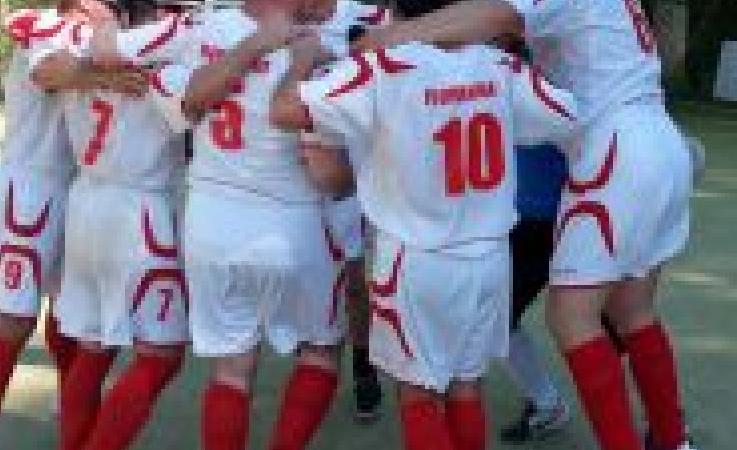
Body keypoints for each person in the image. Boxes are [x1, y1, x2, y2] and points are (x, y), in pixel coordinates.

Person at [358, 1, 696, 450]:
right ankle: (673, 440)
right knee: (632, 310)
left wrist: (394, 36)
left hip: (615, 149)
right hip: (659, 138)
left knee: (571, 316)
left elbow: (499, 17)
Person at [269, 1, 578, 448]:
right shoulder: (500, 65)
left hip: (417, 260)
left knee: (418, 392)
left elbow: (285, 111)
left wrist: (300, 60)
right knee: (466, 384)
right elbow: (566, 115)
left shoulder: (384, 66)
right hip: (489, 257)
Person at [88, 1, 357, 449]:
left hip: (212, 224)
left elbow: (111, 55)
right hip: (295, 224)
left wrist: (101, 31)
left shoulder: (198, 30)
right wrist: (355, 186)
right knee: (321, 350)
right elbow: (326, 173)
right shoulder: (319, 46)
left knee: (232, 370)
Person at [30, 1, 195, 449]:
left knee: (93, 348)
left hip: (85, 202)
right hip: (139, 210)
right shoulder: (172, 52)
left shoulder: (78, 43)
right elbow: (193, 113)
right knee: (161, 356)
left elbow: (47, 69)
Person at [0, 2, 106, 449]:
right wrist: (110, 75)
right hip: (28, 190)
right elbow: (49, 74)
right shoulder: (45, 26)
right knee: (16, 319)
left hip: (81, 191)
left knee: (73, 316)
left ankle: (72, 425)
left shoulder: (109, 34)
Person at [297, 0, 391, 424]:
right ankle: (313, 355)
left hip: (351, 168)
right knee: (302, 277)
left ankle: (363, 365)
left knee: (354, 279)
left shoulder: (367, 18)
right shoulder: (276, 20)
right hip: (290, 174)